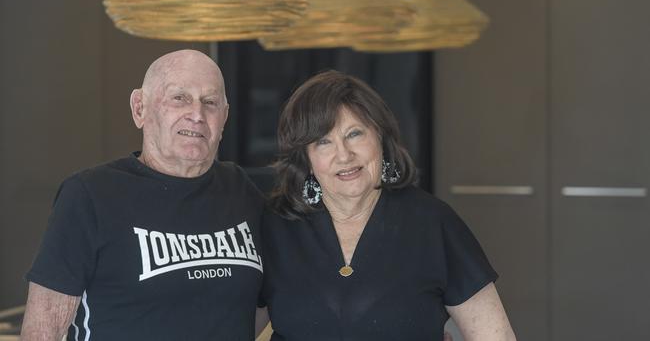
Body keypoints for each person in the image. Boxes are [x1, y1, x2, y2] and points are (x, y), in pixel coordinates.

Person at [21, 50, 265, 340]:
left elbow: (259, 307)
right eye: (179, 98)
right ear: (140, 108)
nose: (197, 115)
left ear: (224, 117)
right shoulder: (90, 195)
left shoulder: (242, 191)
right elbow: (43, 331)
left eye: (210, 103)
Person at [257, 71, 516, 340]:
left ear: (379, 136)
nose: (344, 155)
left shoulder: (432, 222)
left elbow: (496, 336)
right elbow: (229, 324)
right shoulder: (275, 226)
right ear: (306, 158)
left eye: (354, 134)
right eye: (323, 142)